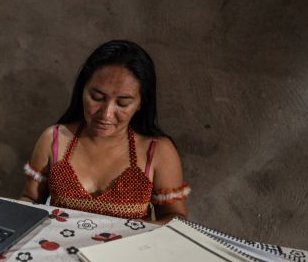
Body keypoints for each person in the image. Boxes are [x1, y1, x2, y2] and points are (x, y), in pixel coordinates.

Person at [20, 40, 190, 222]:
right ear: (82, 90)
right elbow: (30, 199)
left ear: (141, 103)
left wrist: (139, 230)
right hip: (57, 248)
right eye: (97, 97)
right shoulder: (54, 139)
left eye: (123, 103)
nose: (106, 114)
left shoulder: (157, 151)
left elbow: (175, 217)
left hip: (129, 250)